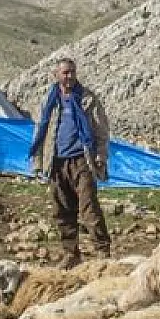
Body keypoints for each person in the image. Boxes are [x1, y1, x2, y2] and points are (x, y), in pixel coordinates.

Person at [28, 57, 111, 268]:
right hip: (56, 161)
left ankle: (102, 252)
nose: (70, 76)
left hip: (82, 159)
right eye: (65, 73)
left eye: (72, 72)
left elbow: (101, 131)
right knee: (62, 209)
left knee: (89, 207)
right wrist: (38, 162)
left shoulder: (87, 99)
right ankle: (71, 253)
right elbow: (40, 131)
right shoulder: (50, 101)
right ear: (56, 75)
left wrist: (100, 155)